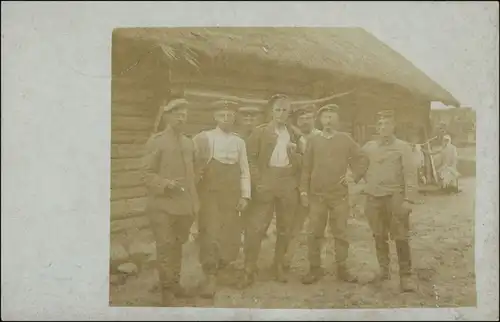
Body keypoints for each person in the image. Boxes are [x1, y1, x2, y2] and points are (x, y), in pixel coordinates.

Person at [299, 104, 369, 284]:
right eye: (325, 117)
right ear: (319, 121)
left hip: (339, 196)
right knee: (314, 232)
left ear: (338, 120)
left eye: (332, 117)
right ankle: (315, 269)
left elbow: (362, 158)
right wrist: (304, 191)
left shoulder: (345, 139)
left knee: (340, 233)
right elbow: (306, 168)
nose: (328, 121)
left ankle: (342, 268)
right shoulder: (313, 141)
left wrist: (353, 175)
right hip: (317, 196)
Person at [142, 98, 199, 306]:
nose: (181, 118)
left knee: (177, 246)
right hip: (162, 206)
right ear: (167, 116)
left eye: (184, 115)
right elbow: (146, 175)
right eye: (177, 114)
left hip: (184, 207)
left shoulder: (188, 142)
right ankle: (167, 291)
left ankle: (174, 283)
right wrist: (166, 184)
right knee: (165, 246)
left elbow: (194, 175)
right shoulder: (156, 142)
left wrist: (194, 204)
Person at [240, 94, 301, 288]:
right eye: (277, 110)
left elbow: (301, 161)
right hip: (266, 182)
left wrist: (294, 155)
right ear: (271, 111)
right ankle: (249, 268)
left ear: (289, 113)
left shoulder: (294, 134)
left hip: (287, 183)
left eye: (285, 110)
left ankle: (278, 266)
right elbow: (250, 159)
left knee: (285, 228)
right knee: (256, 227)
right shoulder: (260, 132)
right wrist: (259, 182)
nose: (281, 114)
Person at [192, 100, 251, 298]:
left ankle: (226, 269)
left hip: (232, 195)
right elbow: (194, 167)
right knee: (210, 232)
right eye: (222, 115)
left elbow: (245, 171)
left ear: (234, 118)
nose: (226, 119)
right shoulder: (204, 138)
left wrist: (245, 195)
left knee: (231, 233)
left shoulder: (239, 142)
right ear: (215, 117)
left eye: (230, 115)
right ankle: (210, 274)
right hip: (210, 195)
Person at [361, 110, 418, 292]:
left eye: (387, 123)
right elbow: (358, 165)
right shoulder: (369, 147)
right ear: (376, 127)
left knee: (400, 236)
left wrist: (409, 199)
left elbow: (410, 174)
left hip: (395, 197)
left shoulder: (403, 147)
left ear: (393, 126)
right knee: (378, 235)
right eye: (380, 124)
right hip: (373, 198)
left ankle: (406, 275)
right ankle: (384, 270)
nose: (383, 127)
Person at [284, 103, 321, 271]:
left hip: (318, 190)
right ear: (296, 122)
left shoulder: (321, 137)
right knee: (293, 225)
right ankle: (285, 261)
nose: (306, 122)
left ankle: (315, 266)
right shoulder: (291, 139)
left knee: (316, 228)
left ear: (314, 120)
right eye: (302, 119)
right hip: (296, 188)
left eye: (309, 118)